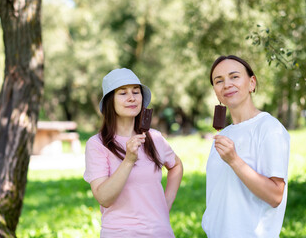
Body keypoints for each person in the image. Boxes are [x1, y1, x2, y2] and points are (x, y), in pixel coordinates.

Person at [84, 68, 183, 237]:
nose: (132, 98)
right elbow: (104, 198)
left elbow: (176, 166)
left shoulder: (155, 138)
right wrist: (128, 160)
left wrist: (167, 202)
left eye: (136, 92)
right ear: (110, 101)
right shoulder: (97, 145)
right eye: (123, 93)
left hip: (160, 232)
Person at [202, 55, 290, 237]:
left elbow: (275, 197)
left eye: (234, 77)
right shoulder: (223, 134)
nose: (226, 84)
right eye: (219, 81)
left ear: (252, 83)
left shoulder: (269, 128)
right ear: (216, 91)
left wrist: (234, 160)